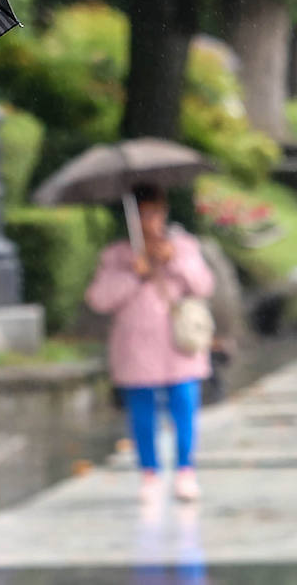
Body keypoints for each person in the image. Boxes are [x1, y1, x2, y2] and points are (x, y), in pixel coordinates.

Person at [86, 184, 215, 503]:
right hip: (136, 344)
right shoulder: (117, 255)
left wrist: (174, 262)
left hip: (177, 343)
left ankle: (185, 470)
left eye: (155, 213)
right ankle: (150, 473)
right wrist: (134, 274)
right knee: (142, 410)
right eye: (143, 214)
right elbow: (99, 299)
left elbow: (203, 285)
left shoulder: (183, 246)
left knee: (184, 404)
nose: (150, 221)